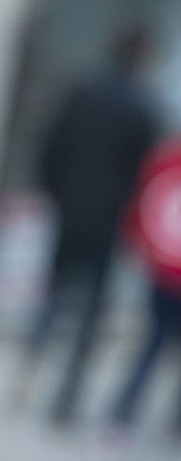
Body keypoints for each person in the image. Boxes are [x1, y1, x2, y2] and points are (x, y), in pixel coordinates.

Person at [22, 23, 160, 424]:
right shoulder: (142, 109)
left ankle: (27, 373)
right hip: (108, 222)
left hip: (70, 211)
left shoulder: (81, 93)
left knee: (53, 295)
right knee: (91, 312)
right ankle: (67, 396)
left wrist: (55, 192)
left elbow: (51, 144)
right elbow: (143, 177)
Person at [107, 136, 181, 433]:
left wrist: (142, 246)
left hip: (162, 269)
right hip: (165, 269)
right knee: (151, 346)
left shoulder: (166, 157)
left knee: (150, 346)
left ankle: (121, 417)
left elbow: (142, 204)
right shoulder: (166, 158)